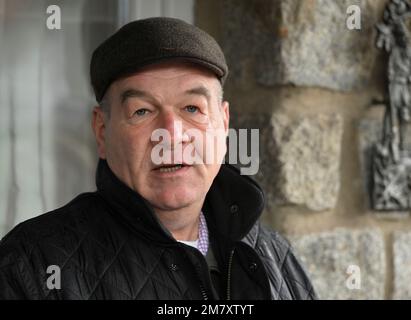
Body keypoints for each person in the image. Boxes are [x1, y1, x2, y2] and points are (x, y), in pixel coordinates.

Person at [0, 17, 316, 300]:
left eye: (192, 108)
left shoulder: (274, 255)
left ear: (223, 123)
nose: (171, 133)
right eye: (142, 111)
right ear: (101, 131)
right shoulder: (33, 265)